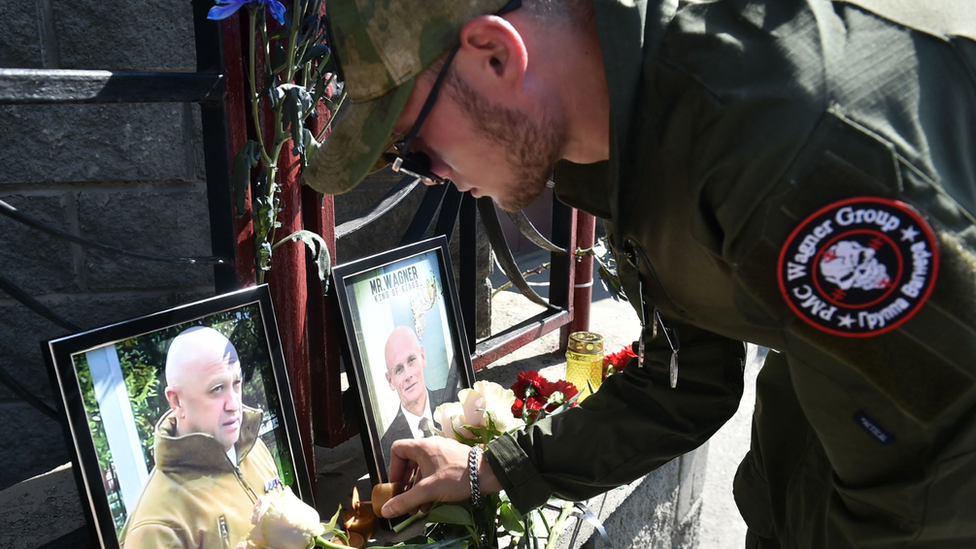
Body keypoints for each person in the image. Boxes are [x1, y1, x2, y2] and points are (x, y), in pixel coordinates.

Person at [304, 0, 976, 547]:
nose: (432, 176)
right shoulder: (621, 127)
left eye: (416, 149)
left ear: (498, 55)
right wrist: (495, 468)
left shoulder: (786, 141)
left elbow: (930, 474)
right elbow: (686, 383)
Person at [119, 326, 282, 549]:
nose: (234, 404)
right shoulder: (156, 525)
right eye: (217, 389)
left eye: (236, 383)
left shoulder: (255, 448)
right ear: (176, 402)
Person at [380, 326, 444, 466]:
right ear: (390, 381)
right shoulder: (387, 446)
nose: (408, 375)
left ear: (423, 357)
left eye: (411, 360)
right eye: (399, 369)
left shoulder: (456, 401)